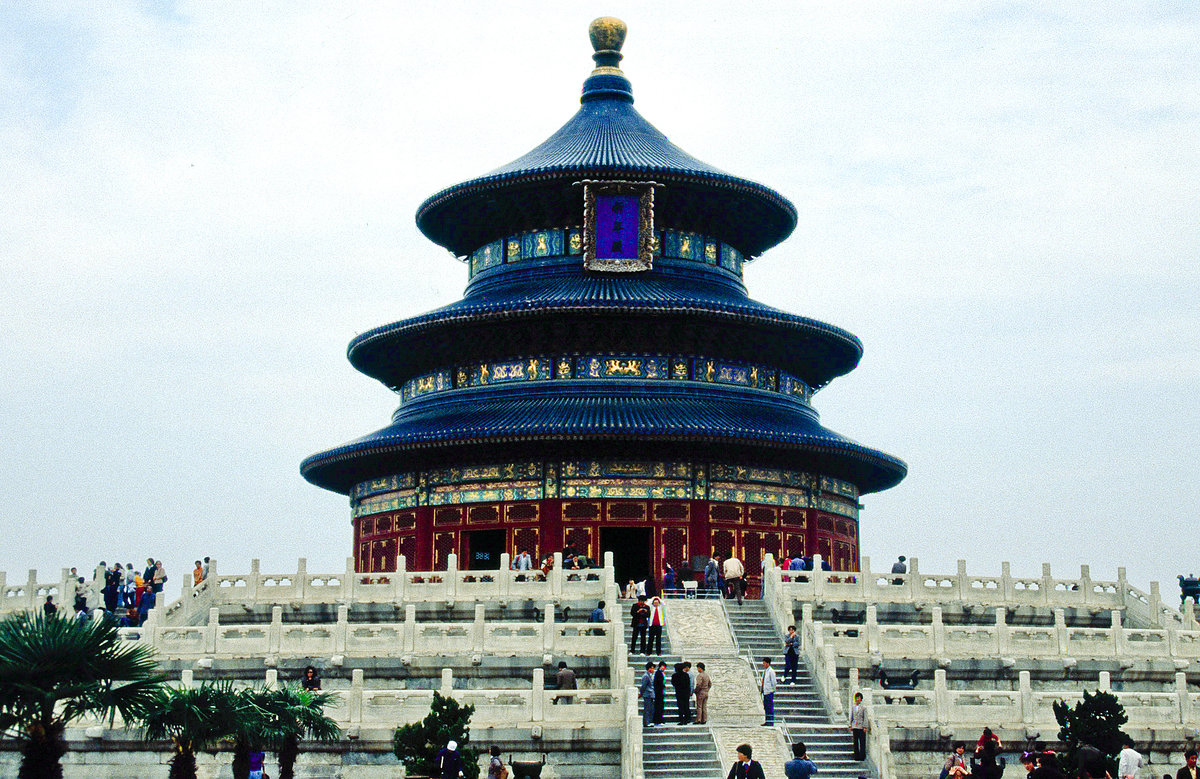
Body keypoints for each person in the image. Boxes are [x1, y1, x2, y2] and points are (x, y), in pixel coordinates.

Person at [848, 691, 869, 760]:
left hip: (861, 726)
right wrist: (850, 725)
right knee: (855, 742)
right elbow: (852, 716)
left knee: (862, 742)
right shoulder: (853, 707)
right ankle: (856, 756)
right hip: (855, 726)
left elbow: (865, 717)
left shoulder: (863, 708)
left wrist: (865, 726)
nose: (858, 699)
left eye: (859, 698)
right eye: (857, 698)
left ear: (861, 699)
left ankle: (862, 756)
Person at [760, 657, 777, 726]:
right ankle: (767, 720)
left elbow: (774, 682)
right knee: (766, 707)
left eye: (764, 663)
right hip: (765, 692)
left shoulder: (771, 671)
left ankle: (770, 721)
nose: (763, 664)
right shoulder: (765, 671)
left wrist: (772, 690)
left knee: (770, 707)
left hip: (769, 692)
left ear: (767, 663)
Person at [639, 661, 655, 728]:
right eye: (651, 668)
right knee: (647, 709)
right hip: (647, 694)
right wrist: (641, 693)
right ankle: (646, 722)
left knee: (650, 709)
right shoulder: (646, 676)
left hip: (650, 694)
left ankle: (648, 721)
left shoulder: (649, 675)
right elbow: (643, 686)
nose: (653, 670)